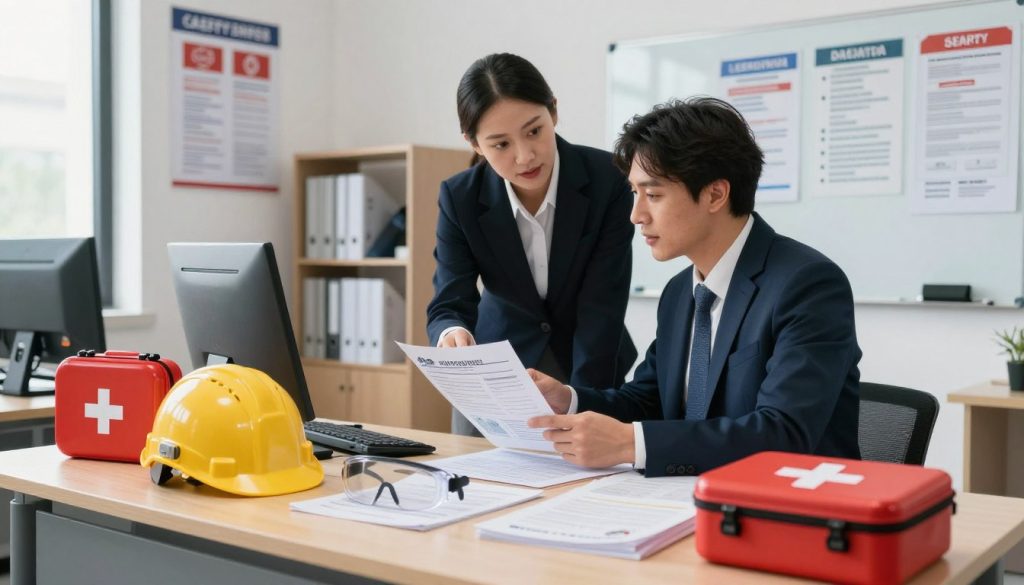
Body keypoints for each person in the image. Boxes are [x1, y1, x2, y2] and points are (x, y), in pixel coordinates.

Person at [527, 97, 862, 475]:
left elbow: (783, 433)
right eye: (634, 194)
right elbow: (650, 400)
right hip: (689, 499)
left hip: (791, 510)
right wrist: (567, 400)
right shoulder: (679, 294)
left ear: (716, 194)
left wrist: (628, 443)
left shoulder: (807, 285)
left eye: (652, 195)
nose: (636, 215)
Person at [427, 53, 637, 436]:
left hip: (589, 363)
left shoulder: (609, 180)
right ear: (473, 143)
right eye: (500, 144)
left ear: (553, 111)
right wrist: (450, 333)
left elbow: (602, 305)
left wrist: (584, 401)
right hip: (498, 373)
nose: (524, 156)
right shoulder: (460, 198)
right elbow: (449, 299)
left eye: (534, 131)